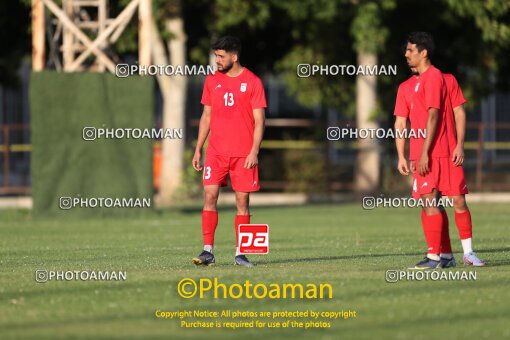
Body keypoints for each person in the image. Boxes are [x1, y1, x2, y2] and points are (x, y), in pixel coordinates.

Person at [191, 36, 267, 267]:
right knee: (209, 196)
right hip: (216, 152)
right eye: (216, 55)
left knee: (242, 202)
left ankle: (241, 254)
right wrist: (198, 149)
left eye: (221, 56)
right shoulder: (212, 81)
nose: (217, 60)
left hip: (243, 154)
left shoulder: (253, 81)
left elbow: (260, 120)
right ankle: (207, 252)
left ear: (234, 57)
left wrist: (254, 151)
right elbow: (206, 116)